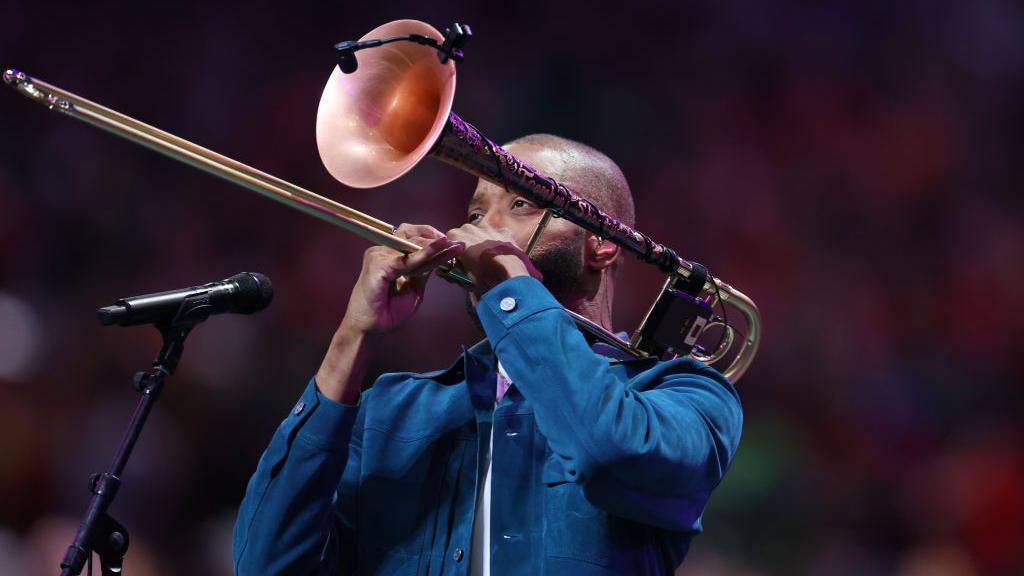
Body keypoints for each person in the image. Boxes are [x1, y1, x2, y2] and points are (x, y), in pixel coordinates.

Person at [232, 134, 743, 575]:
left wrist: (514, 293)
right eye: (476, 213)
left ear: (601, 242)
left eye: (521, 205)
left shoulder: (685, 395)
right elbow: (267, 564)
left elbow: (607, 455)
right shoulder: (391, 408)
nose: (479, 230)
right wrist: (352, 335)